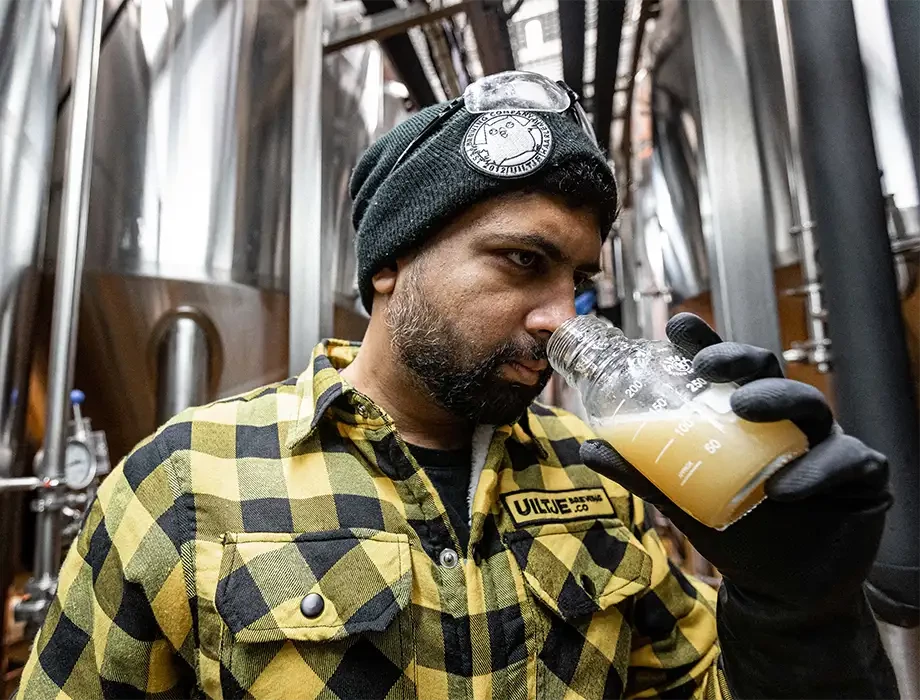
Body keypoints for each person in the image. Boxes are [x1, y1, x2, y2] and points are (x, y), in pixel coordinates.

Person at [18, 71, 896, 699]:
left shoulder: (602, 478)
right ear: (392, 262)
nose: (560, 317)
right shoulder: (183, 482)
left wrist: (795, 614)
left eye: (578, 282)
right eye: (523, 261)